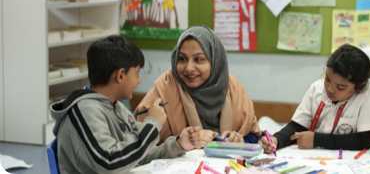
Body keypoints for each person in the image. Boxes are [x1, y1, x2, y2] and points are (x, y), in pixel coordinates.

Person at [50, 35, 197, 174]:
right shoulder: (85, 110)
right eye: (137, 73)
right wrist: (151, 124)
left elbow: (136, 157)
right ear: (120, 75)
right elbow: (110, 163)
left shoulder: (116, 107)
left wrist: (177, 144)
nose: (139, 80)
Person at [135, 25, 261, 147]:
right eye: (182, 59)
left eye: (198, 59)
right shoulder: (164, 91)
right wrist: (181, 142)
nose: (189, 68)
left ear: (215, 61)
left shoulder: (233, 88)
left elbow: (254, 136)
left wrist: (240, 141)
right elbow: (138, 146)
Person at [260, 44, 370, 152]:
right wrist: (277, 140)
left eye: (341, 87)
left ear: (359, 87)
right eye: (327, 79)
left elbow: (364, 140)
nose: (330, 89)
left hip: (355, 160)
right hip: (319, 157)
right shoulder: (317, 88)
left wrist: (316, 139)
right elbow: (297, 126)